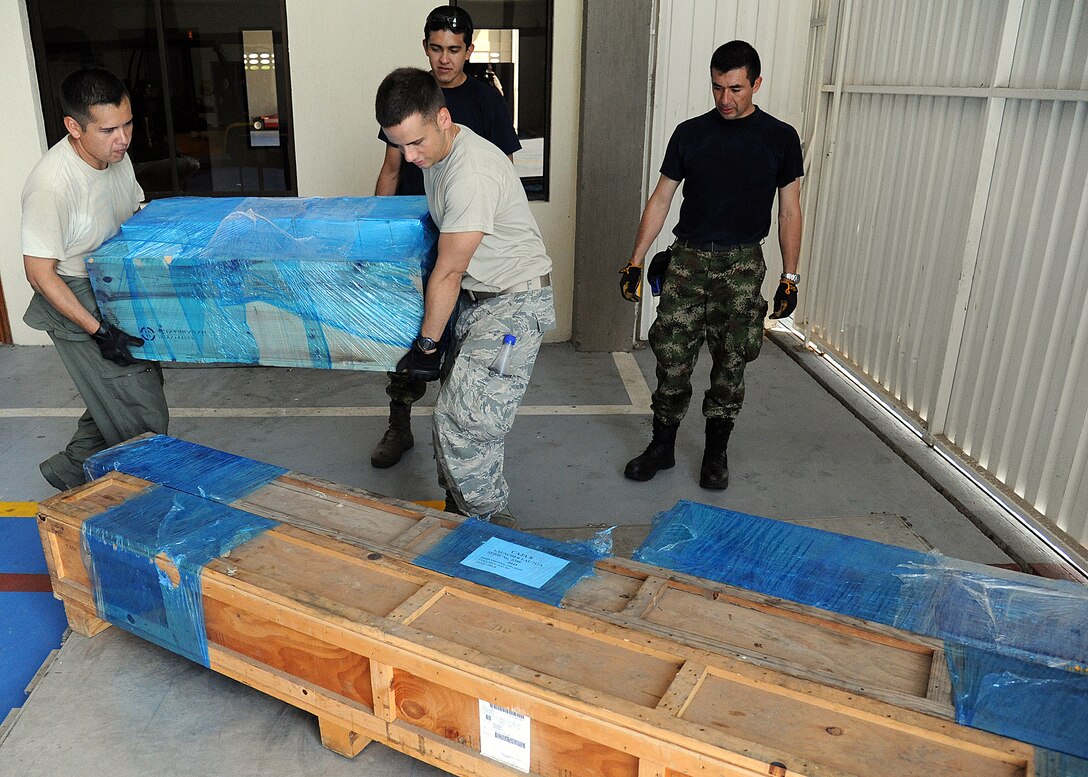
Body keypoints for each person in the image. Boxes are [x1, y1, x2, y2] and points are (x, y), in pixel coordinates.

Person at [618, 40, 803, 491]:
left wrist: (790, 276)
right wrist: (636, 259)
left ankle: (716, 453)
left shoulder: (780, 138)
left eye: (736, 88)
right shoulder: (690, 133)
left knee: (732, 360)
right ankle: (662, 446)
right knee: (672, 356)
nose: (725, 99)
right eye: (717, 87)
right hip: (687, 261)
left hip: (742, 265)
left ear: (756, 83)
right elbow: (661, 198)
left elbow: (790, 210)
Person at [375, 67, 554, 526]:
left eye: (416, 142)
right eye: (399, 145)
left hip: (512, 305)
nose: (410, 156)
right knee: (453, 416)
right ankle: (461, 517)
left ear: (443, 118)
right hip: (480, 301)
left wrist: (427, 346)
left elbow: (450, 270)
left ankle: (496, 535)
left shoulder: (469, 173)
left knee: (468, 427)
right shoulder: (439, 153)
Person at [371, 4, 522, 470]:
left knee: (448, 340)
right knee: (404, 338)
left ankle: (458, 432)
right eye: (436, 48)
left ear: (468, 51)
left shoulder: (486, 104)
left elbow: (501, 177)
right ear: (425, 48)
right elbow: (390, 169)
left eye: (453, 50)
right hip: (416, 238)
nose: (444, 58)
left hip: (462, 241)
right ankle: (400, 424)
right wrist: (379, 234)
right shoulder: (408, 100)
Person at [22, 67, 169, 491]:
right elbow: (38, 273)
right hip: (75, 295)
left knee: (120, 390)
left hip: (114, 283)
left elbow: (132, 211)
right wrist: (99, 331)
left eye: (127, 124)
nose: (122, 138)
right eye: (108, 130)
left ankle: (70, 472)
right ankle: (143, 508)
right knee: (141, 412)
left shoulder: (114, 156)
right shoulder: (52, 186)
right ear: (74, 127)